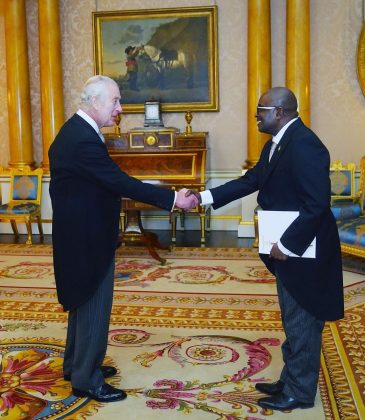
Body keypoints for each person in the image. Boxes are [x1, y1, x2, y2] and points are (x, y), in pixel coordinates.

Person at [186, 87, 344, 411]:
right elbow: (250, 181)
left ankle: (299, 393)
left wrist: (287, 244)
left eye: (261, 110)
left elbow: (317, 205)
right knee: (292, 317)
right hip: (287, 248)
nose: (256, 115)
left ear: (279, 112)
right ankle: (290, 379)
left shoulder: (305, 146)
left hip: (303, 251)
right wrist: (203, 198)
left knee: (302, 319)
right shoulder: (277, 144)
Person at [48, 75, 198, 403]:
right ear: (94, 101)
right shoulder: (83, 139)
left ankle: (77, 365)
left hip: (81, 233)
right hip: (87, 238)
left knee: (82, 303)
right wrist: (173, 199)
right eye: (115, 101)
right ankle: (86, 379)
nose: (120, 108)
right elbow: (120, 182)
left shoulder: (77, 130)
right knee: (93, 305)